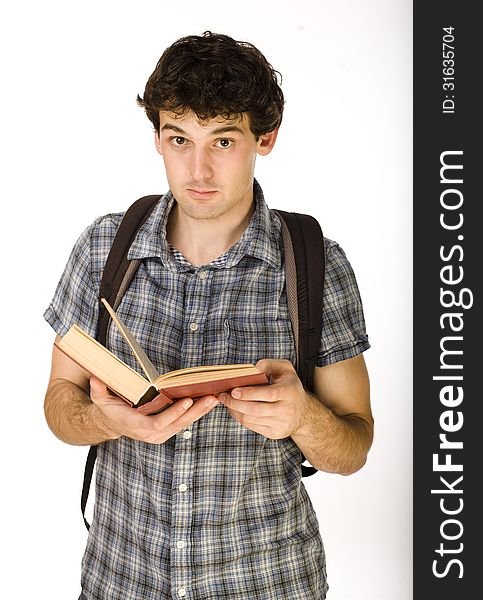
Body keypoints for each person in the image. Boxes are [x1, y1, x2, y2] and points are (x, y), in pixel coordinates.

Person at [44, 31, 373, 600]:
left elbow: (355, 445)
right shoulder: (104, 247)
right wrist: (109, 422)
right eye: (179, 139)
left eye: (222, 140)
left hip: (267, 582)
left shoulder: (316, 262)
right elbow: (58, 404)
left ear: (264, 138)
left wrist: (303, 418)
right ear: (157, 139)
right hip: (121, 579)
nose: (197, 169)